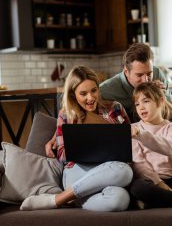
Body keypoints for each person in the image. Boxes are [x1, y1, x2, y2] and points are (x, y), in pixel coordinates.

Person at [20, 66, 133, 212]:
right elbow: (61, 153)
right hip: (77, 171)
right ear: (73, 95)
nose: (90, 98)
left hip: (110, 170)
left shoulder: (115, 108)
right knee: (124, 171)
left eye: (94, 90)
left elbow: (129, 144)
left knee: (121, 198)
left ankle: (61, 198)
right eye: (83, 93)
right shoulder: (66, 115)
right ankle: (67, 196)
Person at [100, 42, 172, 122]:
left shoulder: (157, 74)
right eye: (139, 75)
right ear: (126, 72)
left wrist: (162, 98)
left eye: (149, 73)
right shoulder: (105, 91)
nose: (146, 80)